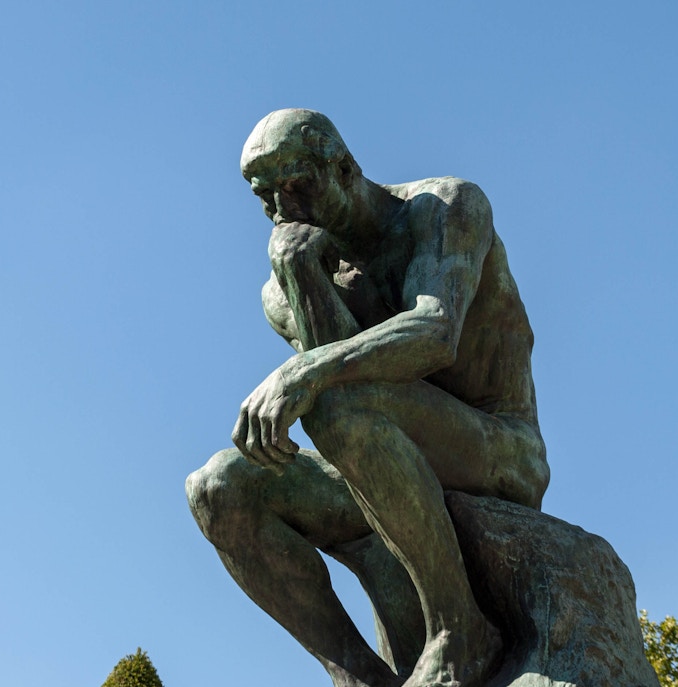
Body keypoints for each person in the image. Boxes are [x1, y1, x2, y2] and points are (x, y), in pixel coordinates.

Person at [186, 109, 549, 687]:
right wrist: (301, 271)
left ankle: (460, 630)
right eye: (266, 198)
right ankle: (357, 673)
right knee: (218, 487)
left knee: (334, 399)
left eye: (296, 184)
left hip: (495, 446)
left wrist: (304, 372)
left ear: (343, 166)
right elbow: (342, 383)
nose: (283, 210)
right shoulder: (286, 282)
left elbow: (435, 333)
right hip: (379, 458)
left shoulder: (444, 209)